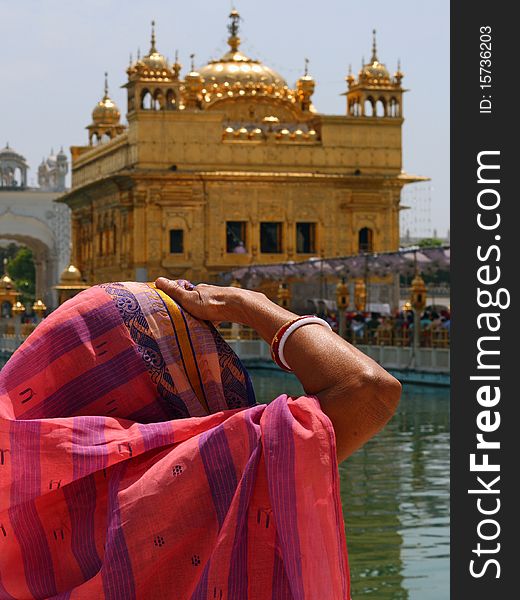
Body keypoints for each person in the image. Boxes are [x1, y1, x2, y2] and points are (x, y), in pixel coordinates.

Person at [0, 279, 401, 599]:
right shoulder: (211, 471)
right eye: (194, 342)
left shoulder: (16, 497)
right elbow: (368, 389)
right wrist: (250, 306)